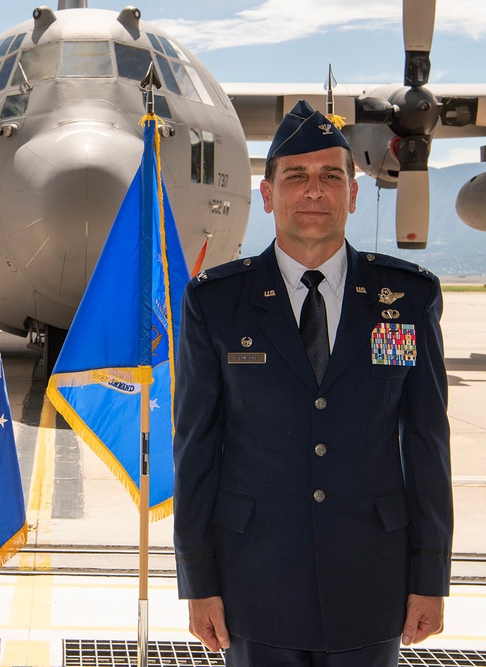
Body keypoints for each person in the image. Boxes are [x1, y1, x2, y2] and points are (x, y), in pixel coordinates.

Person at [173, 99, 453, 666]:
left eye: (331, 177)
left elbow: (427, 446)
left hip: (372, 580)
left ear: (352, 194)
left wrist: (431, 575)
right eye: (295, 177)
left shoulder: (406, 299)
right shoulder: (217, 304)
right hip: (255, 580)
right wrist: (199, 581)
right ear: (268, 194)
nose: (314, 191)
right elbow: (196, 450)